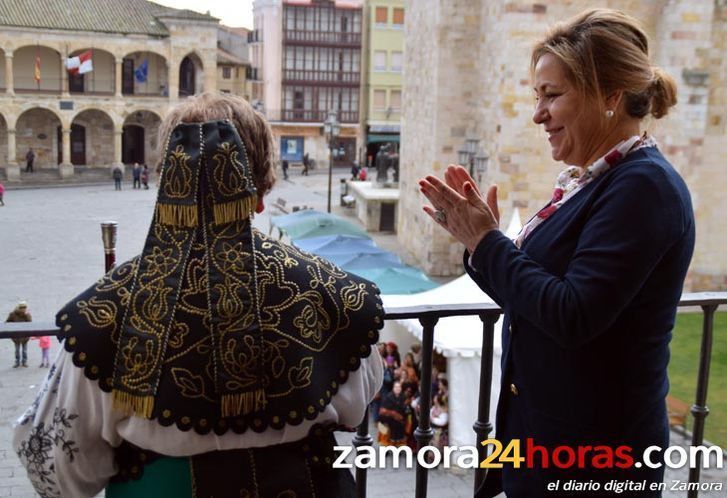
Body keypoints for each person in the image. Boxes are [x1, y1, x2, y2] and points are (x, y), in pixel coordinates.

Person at [13, 93, 384, 498]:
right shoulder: (335, 292)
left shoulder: (107, 310)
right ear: (261, 190)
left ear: (166, 181)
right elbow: (360, 399)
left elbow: (57, 470)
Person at [419, 9, 694, 497]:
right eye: (536, 96)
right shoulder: (594, 179)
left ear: (609, 96)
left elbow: (572, 313)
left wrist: (489, 243)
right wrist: (475, 243)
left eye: (551, 96)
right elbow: (532, 291)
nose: (537, 114)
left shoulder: (644, 187)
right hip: (545, 445)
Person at [7, 301, 32, 368]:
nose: (23, 309)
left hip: (25, 336)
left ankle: (24, 362)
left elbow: (30, 323)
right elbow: (7, 322)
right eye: (22, 307)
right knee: (17, 350)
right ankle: (17, 362)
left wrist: (26, 315)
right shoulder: (13, 314)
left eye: (24, 307)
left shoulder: (27, 314)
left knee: (24, 350)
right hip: (16, 337)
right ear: (19, 307)